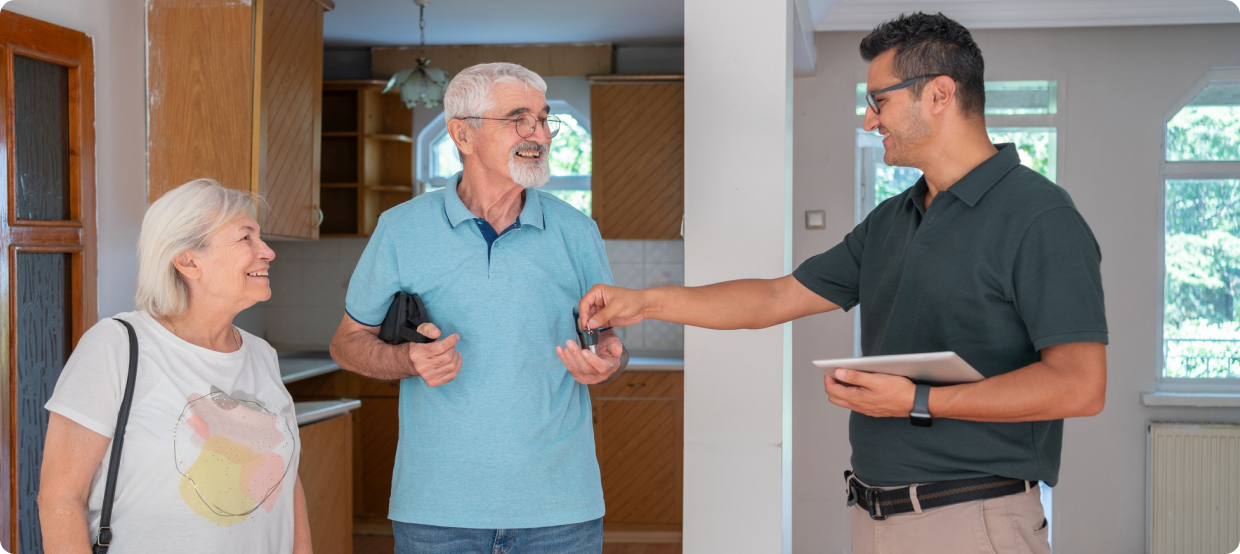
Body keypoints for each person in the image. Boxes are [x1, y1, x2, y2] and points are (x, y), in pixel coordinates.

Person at [575, 12, 1106, 554]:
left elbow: (1080, 385)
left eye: (880, 101)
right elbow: (776, 296)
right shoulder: (894, 217)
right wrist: (646, 302)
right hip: (875, 514)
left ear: (940, 94)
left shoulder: (1040, 216)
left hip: (971, 520)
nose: (868, 120)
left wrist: (917, 400)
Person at [329, 62, 628, 553]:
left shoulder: (578, 232)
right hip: (437, 511)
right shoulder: (401, 228)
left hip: (559, 509)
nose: (539, 134)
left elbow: (607, 341)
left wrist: (608, 361)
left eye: (543, 118)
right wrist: (408, 359)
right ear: (462, 135)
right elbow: (347, 343)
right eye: (518, 118)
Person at [38, 180, 310, 553]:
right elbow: (59, 497)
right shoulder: (117, 345)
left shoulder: (262, 355)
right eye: (246, 238)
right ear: (188, 261)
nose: (267, 251)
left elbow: (286, 482)